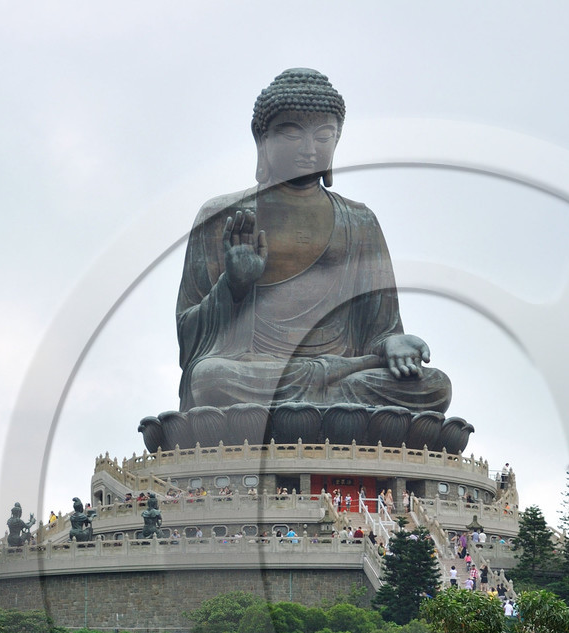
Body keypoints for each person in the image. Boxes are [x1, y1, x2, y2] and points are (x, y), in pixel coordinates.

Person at [174, 69, 453, 413]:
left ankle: (314, 408)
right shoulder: (221, 215)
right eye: (291, 133)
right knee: (209, 379)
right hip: (253, 371)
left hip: (344, 374)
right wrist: (234, 285)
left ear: (337, 140)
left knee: (434, 387)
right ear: (262, 138)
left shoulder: (360, 221)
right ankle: (324, 411)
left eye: (323, 136)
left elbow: (379, 330)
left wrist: (392, 343)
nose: (309, 149)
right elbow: (190, 341)